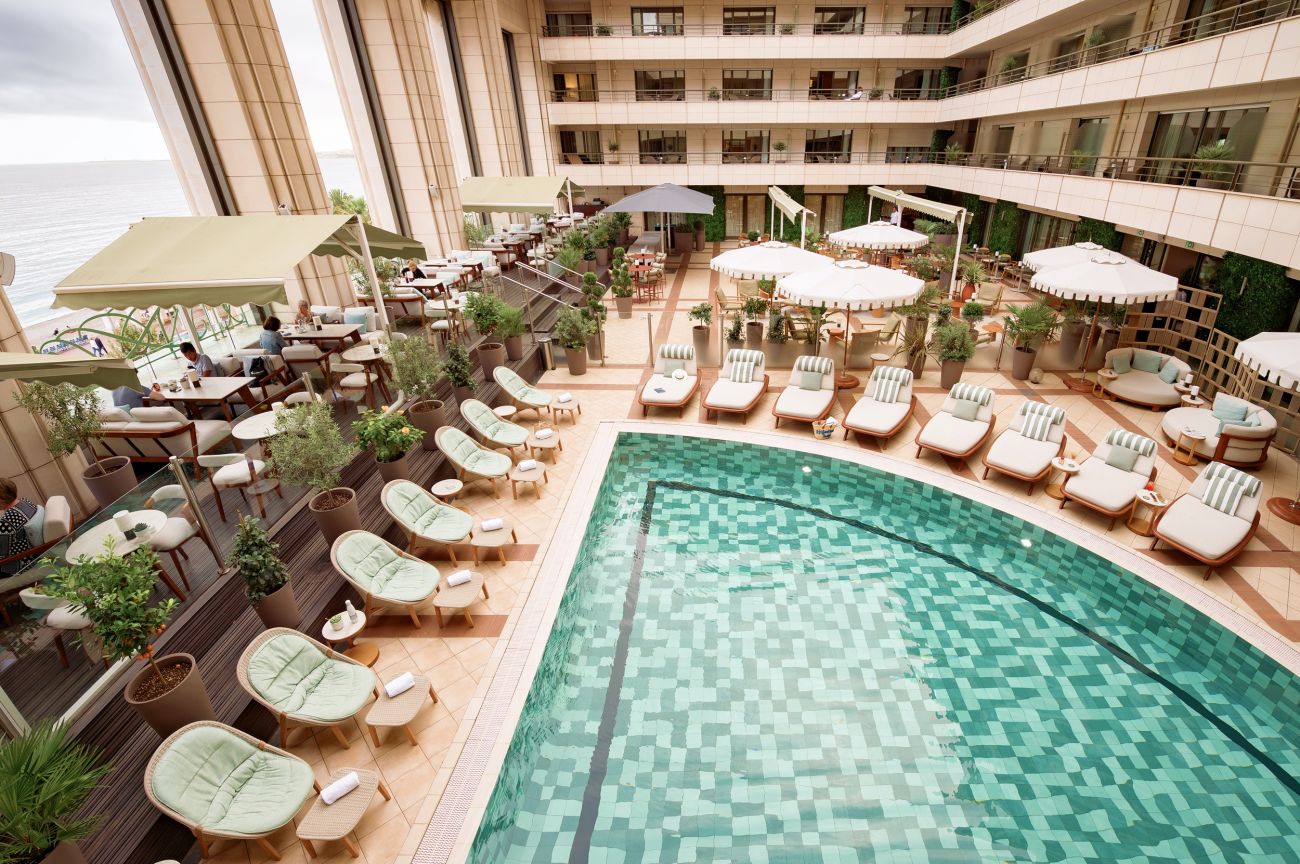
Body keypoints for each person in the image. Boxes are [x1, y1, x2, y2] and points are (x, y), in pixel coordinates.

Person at [0, 479, 38, 575]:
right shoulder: (25, 502)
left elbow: (2, 555)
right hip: (34, 554)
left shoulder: (6, 522)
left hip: (20, 565)